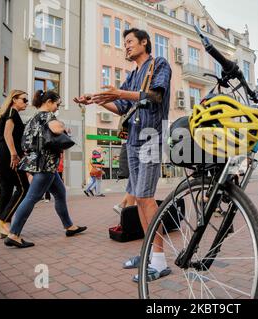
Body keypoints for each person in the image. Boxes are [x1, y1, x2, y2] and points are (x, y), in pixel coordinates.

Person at [75, 28, 172, 282]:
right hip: (133, 138)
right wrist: (96, 100)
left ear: (144, 43)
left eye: (130, 42)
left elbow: (155, 95)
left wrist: (117, 92)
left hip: (151, 134)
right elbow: (121, 107)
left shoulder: (159, 64)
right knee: (139, 199)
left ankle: (160, 261)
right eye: (124, 43)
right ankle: (150, 252)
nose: (126, 46)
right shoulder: (131, 75)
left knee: (147, 198)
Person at [4, 90, 87, 248]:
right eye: (57, 104)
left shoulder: (32, 119)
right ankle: (14, 234)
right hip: (46, 165)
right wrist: (64, 127)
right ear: (48, 102)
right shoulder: (48, 116)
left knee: (60, 192)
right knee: (31, 197)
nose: (57, 107)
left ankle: (69, 226)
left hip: (40, 163)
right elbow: (56, 129)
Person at [0, 90, 30, 239]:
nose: (26, 103)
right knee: (23, 188)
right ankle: (2, 221)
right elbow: (8, 134)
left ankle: (3, 226)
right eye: (24, 100)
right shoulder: (12, 113)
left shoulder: (4, 114)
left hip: (0, 153)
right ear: (14, 99)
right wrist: (14, 154)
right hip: (8, 154)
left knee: (6, 190)